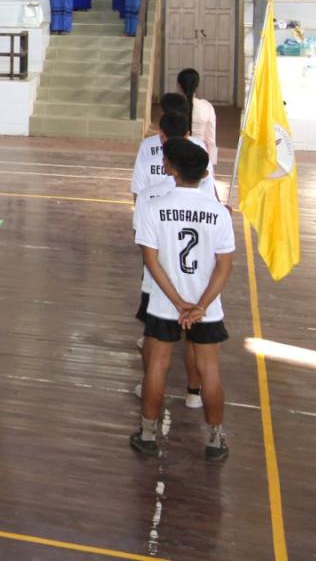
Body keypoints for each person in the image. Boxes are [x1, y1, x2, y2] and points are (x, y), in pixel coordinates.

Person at [131, 138, 233, 462]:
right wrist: (200, 306)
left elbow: (151, 261)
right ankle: (215, 439)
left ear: (172, 169)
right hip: (207, 308)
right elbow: (224, 267)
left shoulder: (153, 208)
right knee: (209, 371)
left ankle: (148, 435)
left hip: (164, 304)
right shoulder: (219, 213)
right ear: (204, 173)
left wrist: (177, 302)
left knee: (156, 367)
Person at [179, 68, 218, 171]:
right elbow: (211, 142)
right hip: (201, 161)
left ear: (179, 86)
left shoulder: (174, 107)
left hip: (178, 162)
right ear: (197, 86)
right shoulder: (207, 107)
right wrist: (212, 168)